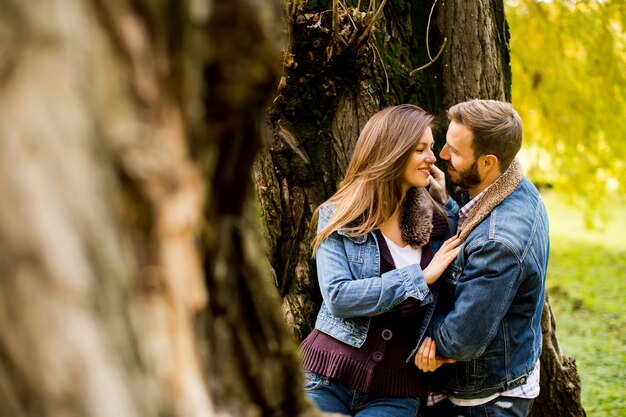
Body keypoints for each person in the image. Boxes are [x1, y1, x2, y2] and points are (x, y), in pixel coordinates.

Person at [299, 104, 462, 417]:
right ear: (392, 152)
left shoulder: (439, 224)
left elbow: (457, 296)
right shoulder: (341, 215)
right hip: (326, 377)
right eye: (420, 149)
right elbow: (339, 297)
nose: (432, 157)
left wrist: (445, 203)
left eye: (431, 147)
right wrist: (421, 278)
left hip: (396, 392)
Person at [414, 99, 550, 417]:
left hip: (486, 401)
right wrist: (446, 207)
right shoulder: (517, 187)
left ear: (489, 162)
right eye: (445, 145)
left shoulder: (498, 243)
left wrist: (419, 335)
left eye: (455, 152)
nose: (442, 156)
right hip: (501, 373)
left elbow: (460, 340)